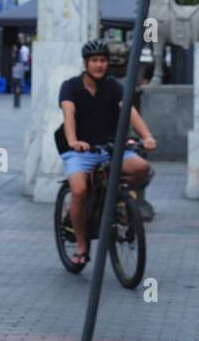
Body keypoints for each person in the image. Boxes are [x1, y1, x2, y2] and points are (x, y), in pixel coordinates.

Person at [58, 39, 156, 267]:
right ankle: (82, 247)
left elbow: (129, 111)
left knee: (142, 168)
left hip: (111, 149)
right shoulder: (70, 87)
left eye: (103, 60)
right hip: (80, 151)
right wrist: (73, 141)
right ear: (86, 63)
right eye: (94, 61)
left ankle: (116, 202)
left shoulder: (113, 87)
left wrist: (147, 136)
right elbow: (68, 115)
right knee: (80, 190)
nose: (99, 65)